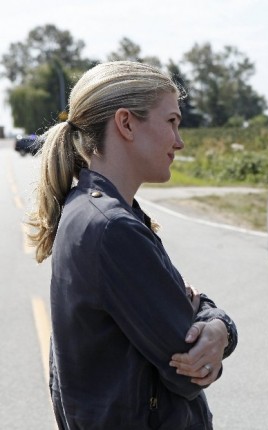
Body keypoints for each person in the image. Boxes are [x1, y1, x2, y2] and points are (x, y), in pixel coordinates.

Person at [28, 61, 238, 429]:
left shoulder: (89, 209)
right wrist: (217, 323)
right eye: (171, 121)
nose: (179, 141)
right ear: (126, 123)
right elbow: (190, 371)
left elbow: (185, 313)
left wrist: (216, 324)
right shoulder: (113, 228)